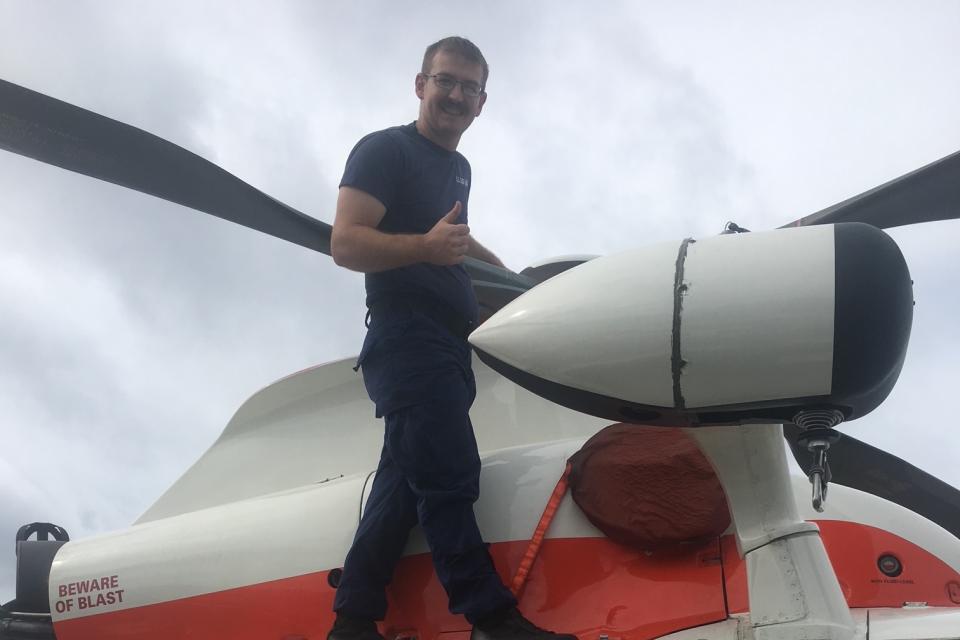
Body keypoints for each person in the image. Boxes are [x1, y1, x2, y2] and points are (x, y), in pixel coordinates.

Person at [328, 37, 577, 640]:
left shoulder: (457, 169)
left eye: (469, 88)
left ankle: (353, 620)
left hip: (448, 346)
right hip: (407, 339)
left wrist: (518, 286)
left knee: (399, 489)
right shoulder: (384, 150)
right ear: (421, 85)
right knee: (448, 476)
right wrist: (424, 249)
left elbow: (457, 243)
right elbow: (346, 243)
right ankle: (492, 618)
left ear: (483, 104)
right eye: (446, 82)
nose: (456, 96)